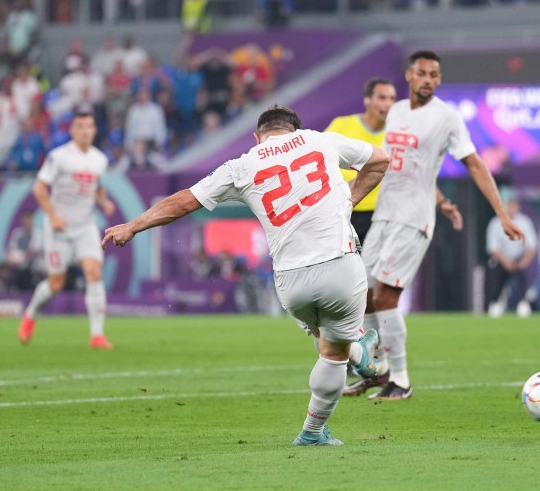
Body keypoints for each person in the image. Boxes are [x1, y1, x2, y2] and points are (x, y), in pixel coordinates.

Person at [101, 105, 390, 446]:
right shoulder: (320, 141)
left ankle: (358, 352)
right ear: (296, 129)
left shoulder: (242, 164)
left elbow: (182, 202)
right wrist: (349, 200)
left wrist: (133, 226)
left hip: (290, 282)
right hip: (340, 265)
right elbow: (381, 161)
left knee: (325, 338)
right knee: (333, 353)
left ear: (257, 137)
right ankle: (316, 426)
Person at [346, 50, 524, 401]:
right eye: (422, 73)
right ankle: (376, 371)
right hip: (384, 214)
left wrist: (501, 212)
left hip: (414, 219)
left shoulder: (447, 118)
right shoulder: (396, 112)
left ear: (438, 80)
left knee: (385, 296)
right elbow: (406, 165)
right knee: (361, 297)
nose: (428, 79)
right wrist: (445, 201)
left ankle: (401, 380)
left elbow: (474, 165)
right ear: (410, 76)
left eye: (434, 75)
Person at [18, 111, 116, 349]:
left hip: (86, 226)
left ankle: (97, 335)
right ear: (72, 130)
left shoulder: (100, 160)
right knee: (55, 284)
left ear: (94, 130)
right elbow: (39, 189)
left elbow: (96, 186)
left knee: (94, 273)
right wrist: (53, 216)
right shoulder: (59, 157)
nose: (85, 130)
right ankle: (31, 314)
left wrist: (104, 202)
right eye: (80, 126)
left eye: (89, 126)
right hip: (58, 229)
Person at [324, 78, 398, 247]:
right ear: (367, 100)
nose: (388, 104)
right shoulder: (341, 125)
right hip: (345, 212)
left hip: (381, 215)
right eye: (382, 98)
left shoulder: (397, 135)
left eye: (392, 99)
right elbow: (320, 158)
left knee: (377, 271)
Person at [485, 197, 537, 318]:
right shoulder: (495, 223)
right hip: (501, 260)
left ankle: (522, 304)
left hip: (519, 259)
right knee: (496, 282)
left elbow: (532, 245)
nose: (512, 209)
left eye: (514, 206)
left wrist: (524, 261)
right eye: (509, 206)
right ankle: (495, 305)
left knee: (521, 282)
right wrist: (506, 262)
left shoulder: (524, 222)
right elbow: (493, 247)